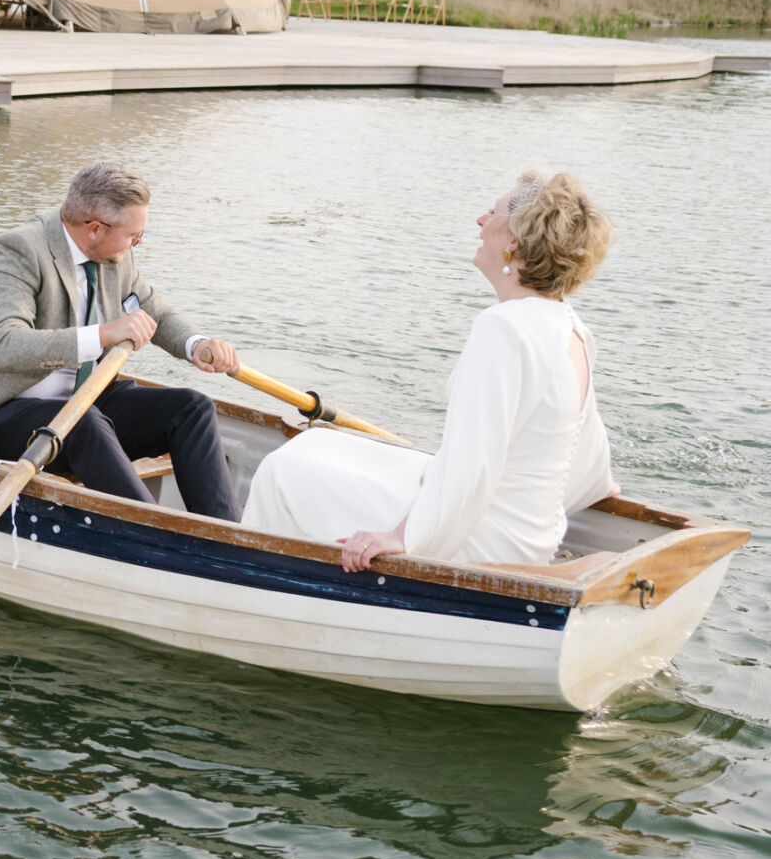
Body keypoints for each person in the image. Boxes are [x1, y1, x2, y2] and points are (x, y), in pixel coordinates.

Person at [243, 171, 619, 570]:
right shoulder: (571, 326)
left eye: (492, 212)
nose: (480, 220)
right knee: (314, 444)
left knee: (282, 469)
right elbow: (587, 448)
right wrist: (603, 486)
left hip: (485, 542)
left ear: (513, 239)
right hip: (531, 533)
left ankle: (253, 584)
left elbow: (472, 461)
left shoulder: (504, 328)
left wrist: (403, 536)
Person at [0, 162, 242, 518]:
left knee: (192, 408)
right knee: (83, 422)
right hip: (1, 414)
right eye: (134, 236)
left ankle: (227, 535)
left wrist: (196, 345)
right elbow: (4, 346)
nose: (137, 243)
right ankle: (154, 535)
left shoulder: (114, 253)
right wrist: (104, 334)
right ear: (94, 229)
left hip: (83, 403)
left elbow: (154, 310)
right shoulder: (18, 250)